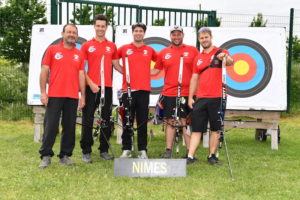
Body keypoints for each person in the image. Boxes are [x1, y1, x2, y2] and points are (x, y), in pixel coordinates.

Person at [39, 24, 86, 168]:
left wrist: (83, 95)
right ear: (63, 33)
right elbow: (44, 71)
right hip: (55, 95)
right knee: (51, 126)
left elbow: (81, 75)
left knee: (69, 127)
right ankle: (46, 155)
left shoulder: (80, 54)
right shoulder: (53, 50)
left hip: (72, 96)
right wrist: (43, 92)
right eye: (69, 32)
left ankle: (65, 155)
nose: (71, 34)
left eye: (74, 33)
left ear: (76, 36)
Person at [187, 27, 234, 165]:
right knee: (196, 128)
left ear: (211, 37)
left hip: (217, 97)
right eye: (201, 38)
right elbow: (194, 78)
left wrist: (225, 58)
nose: (204, 40)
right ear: (199, 40)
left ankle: (212, 156)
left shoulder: (220, 52)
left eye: (206, 37)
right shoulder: (198, 58)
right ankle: (190, 156)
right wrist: (191, 97)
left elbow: (231, 61)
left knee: (215, 128)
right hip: (201, 97)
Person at [80, 14, 122, 163]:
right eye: (98, 25)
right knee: (88, 119)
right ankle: (86, 151)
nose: (100, 28)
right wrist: (90, 83)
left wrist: (130, 74)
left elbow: (117, 65)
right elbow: (81, 69)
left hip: (107, 88)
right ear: (94, 26)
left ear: (106, 27)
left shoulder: (112, 46)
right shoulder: (86, 45)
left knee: (106, 119)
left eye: (103, 26)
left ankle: (103, 150)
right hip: (91, 87)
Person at [151, 26, 199, 158]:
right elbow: (155, 70)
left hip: (187, 93)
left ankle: (190, 153)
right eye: (174, 34)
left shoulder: (192, 50)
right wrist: (137, 72)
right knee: (171, 121)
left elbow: (200, 69)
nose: (176, 37)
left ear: (182, 35)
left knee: (186, 122)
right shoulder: (164, 52)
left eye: (179, 34)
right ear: (170, 36)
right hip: (169, 93)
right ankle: (168, 150)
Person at [116, 23, 157, 159]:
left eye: (141, 31)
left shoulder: (149, 50)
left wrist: (149, 72)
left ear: (144, 33)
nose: (138, 33)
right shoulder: (124, 49)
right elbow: (114, 61)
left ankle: (142, 150)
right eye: (136, 31)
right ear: (132, 33)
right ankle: (126, 148)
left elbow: (160, 64)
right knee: (127, 119)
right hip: (128, 90)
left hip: (144, 90)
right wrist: (124, 72)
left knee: (142, 121)